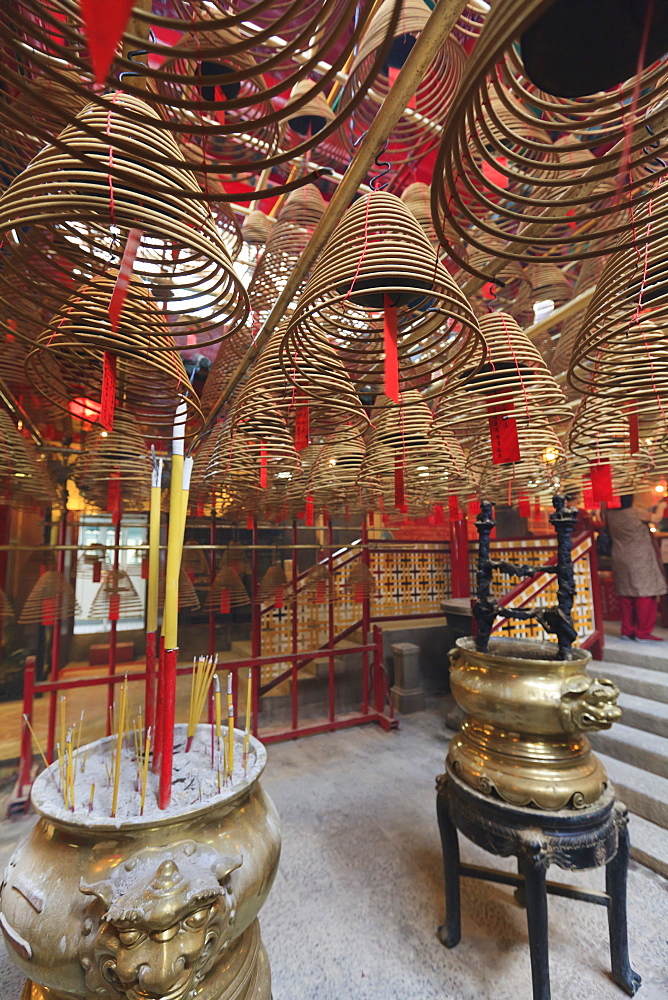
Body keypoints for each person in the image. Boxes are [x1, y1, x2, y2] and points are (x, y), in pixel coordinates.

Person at [607, 493, 668, 641]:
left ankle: (627, 630)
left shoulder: (609, 514)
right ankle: (642, 632)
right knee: (644, 594)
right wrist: (662, 506)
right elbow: (657, 518)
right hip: (640, 557)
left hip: (620, 557)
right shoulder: (634, 512)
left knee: (625, 593)